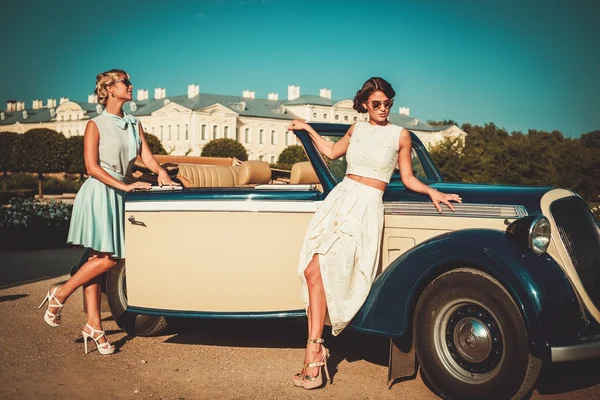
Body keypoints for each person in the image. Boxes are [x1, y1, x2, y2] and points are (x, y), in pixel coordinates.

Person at [288, 77, 462, 389]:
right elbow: (331, 153)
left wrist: (433, 192)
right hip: (340, 200)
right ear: (365, 105)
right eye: (376, 104)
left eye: (387, 104)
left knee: (324, 269)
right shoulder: (356, 128)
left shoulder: (401, 135)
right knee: (313, 269)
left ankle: (314, 354)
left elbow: (407, 177)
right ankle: (314, 348)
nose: (383, 109)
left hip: (367, 207)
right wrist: (308, 130)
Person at [38, 69, 179, 355]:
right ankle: (59, 293)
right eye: (126, 83)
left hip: (120, 192)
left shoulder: (133, 122)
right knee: (108, 259)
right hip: (100, 193)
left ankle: (94, 326)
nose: (131, 86)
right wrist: (125, 186)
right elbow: (91, 167)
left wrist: (162, 172)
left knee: (96, 259)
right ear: (110, 89)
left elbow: (146, 157)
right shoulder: (95, 124)